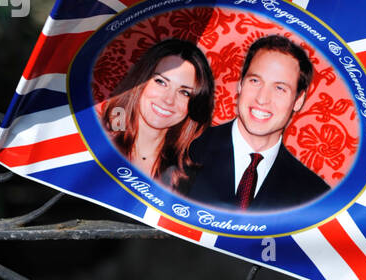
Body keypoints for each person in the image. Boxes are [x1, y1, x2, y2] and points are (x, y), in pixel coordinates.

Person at [185, 33, 329, 210]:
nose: (262, 99)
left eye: (279, 88)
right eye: (255, 80)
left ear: (298, 101)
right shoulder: (183, 151)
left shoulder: (315, 196)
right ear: (240, 84)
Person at [99, 39, 215, 193]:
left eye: (184, 92)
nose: (168, 99)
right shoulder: (95, 143)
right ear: (141, 81)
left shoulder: (194, 179)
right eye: (161, 82)